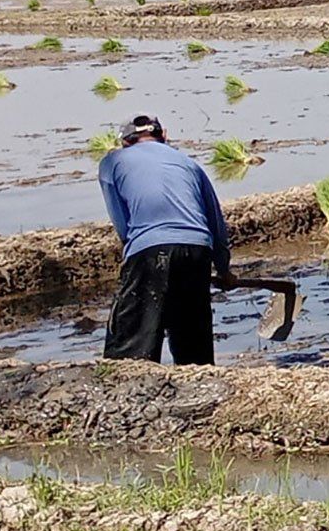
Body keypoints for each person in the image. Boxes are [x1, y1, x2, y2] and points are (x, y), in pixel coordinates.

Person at [98, 114, 236, 365]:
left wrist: (132, 258)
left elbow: (123, 226)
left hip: (149, 249)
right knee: (193, 344)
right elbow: (215, 222)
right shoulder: (188, 163)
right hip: (197, 248)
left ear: (125, 142)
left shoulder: (112, 162)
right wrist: (224, 268)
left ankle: (132, 395)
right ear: (165, 136)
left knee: (131, 349)